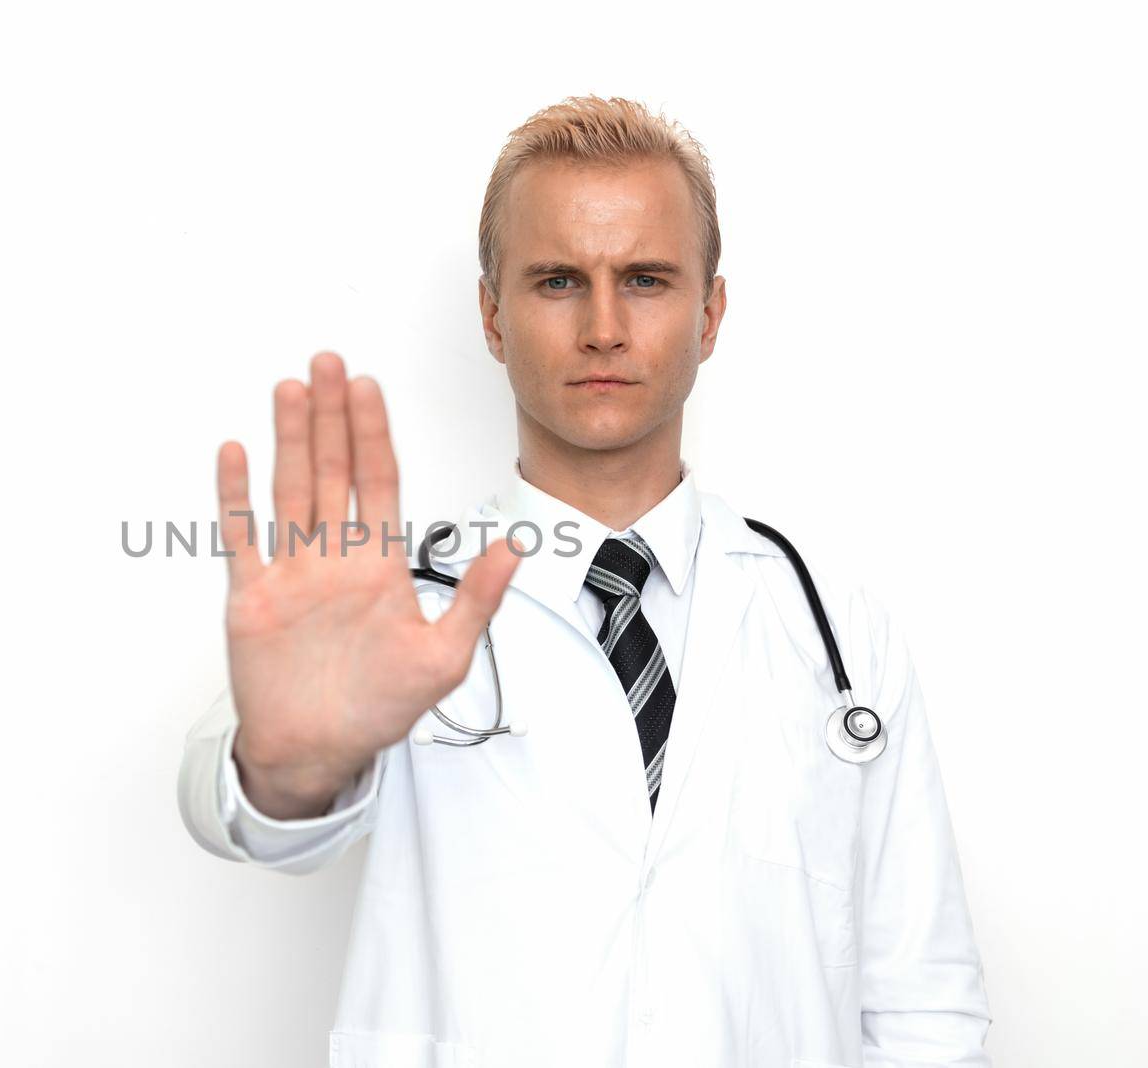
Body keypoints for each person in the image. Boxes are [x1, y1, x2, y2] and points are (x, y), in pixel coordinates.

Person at [177, 95, 992, 1066]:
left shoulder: (836, 633)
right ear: (490, 313)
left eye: (644, 279)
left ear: (710, 312)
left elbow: (923, 1002)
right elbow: (252, 818)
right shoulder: (392, 616)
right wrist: (289, 767)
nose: (603, 327)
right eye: (558, 280)